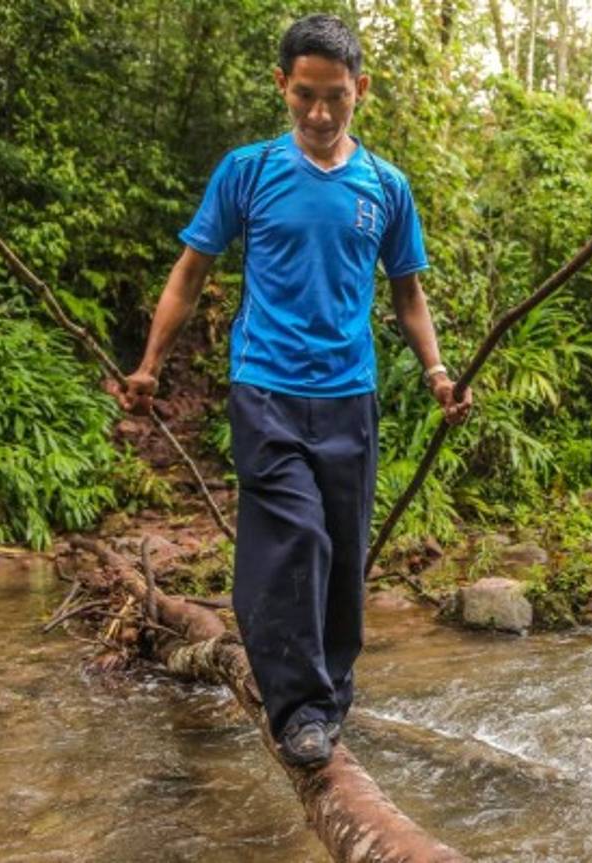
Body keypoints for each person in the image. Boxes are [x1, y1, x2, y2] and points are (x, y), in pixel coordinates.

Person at [118, 13, 472, 769]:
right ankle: (298, 707)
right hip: (266, 388)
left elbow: (408, 296)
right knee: (294, 539)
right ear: (282, 86)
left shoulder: (386, 186)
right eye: (304, 95)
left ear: (360, 91)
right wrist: (150, 365)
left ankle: (329, 697)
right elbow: (190, 272)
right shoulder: (247, 171)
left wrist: (438, 374)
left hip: (350, 394)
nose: (318, 113)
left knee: (343, 555)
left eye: (334, 97)